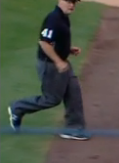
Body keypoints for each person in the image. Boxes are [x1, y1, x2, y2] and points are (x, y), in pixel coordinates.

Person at [7, 0, 89, 141]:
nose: (72, 5)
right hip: (50, 65)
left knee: (73, 91)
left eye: (74, 2)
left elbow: (55, 41)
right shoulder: (54, 19)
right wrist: (58, 61)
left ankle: (73, 128)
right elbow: (44, 42)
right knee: (51, 99)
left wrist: (67, 50)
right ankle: (17, 107)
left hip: (61, 63)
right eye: (69, 1)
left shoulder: (63, 18)